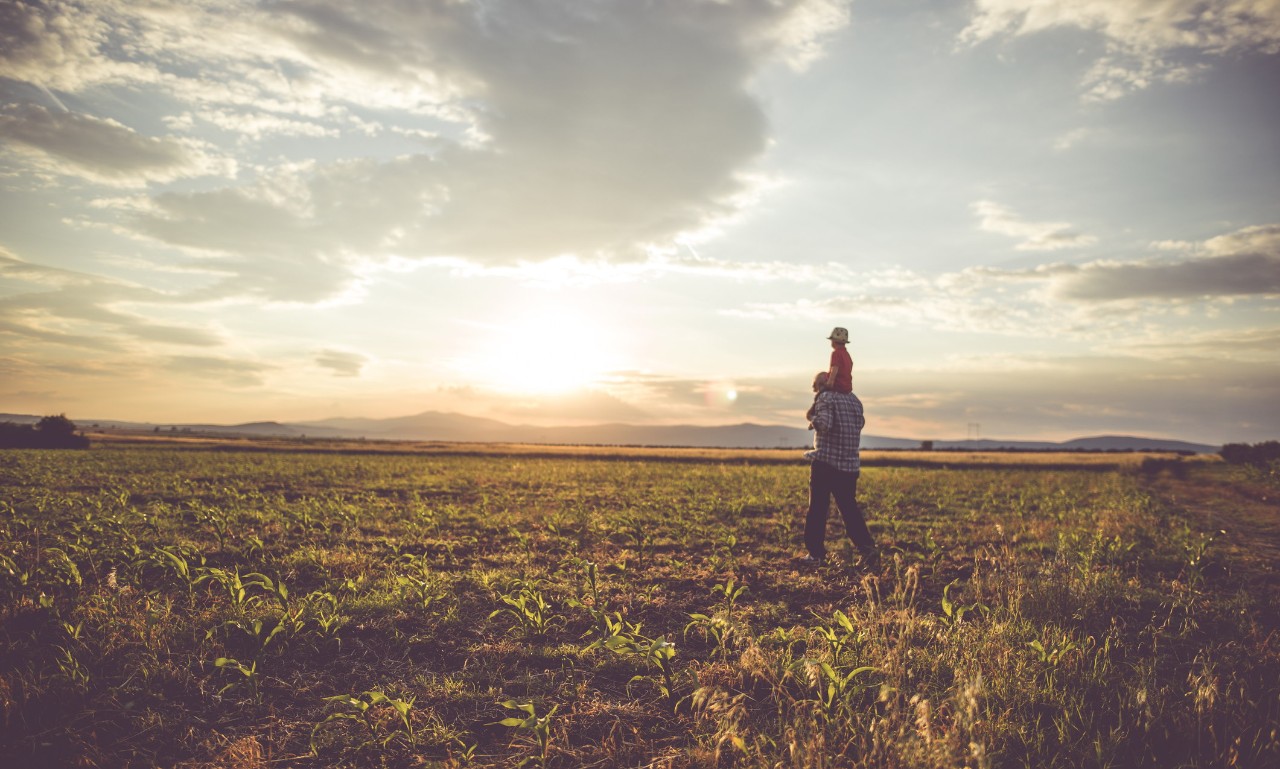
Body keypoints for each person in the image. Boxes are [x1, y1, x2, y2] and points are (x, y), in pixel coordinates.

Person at [800, 370, 878, 569]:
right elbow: (860, 423)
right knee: (849, 509)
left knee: (818, 509)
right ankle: (867, 550)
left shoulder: (825, 398)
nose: (814, 389)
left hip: (826, 462)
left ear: (823, 384)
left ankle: (816, 555)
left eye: (815, 385)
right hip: (849, 465)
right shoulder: (854, 400)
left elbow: (824, 424)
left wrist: (813, 420)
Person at [826, 327, 853, 394]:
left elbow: (834, 369)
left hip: (838, 387)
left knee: (821, 377)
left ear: (834, 342)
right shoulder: (847, 355)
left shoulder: (836, 353)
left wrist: (829, 383)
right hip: (847, 388)